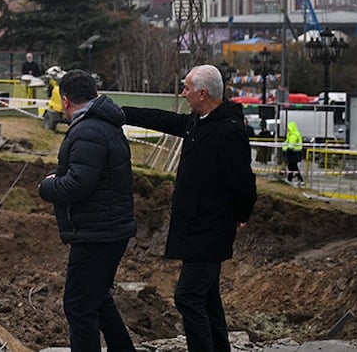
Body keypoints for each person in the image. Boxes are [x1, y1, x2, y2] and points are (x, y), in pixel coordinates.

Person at [121, 65, 257, 352]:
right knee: (207, 299)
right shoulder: (200, 122)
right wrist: (121, 113)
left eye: (186, 88)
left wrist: (241, 214)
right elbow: (163, 119)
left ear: (202, 93)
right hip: (195, 227)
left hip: (211, 229)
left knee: (187, 296)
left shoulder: (228, 131)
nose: (183, 93)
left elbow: (243, 183)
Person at [38, 70, 137, 352]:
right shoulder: (104, 125)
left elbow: (79, 184)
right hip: (109, 229)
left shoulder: (87, 130)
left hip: (96, 233)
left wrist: (47, 187)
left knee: (79, 306)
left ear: (65, 101)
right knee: (98, 298)